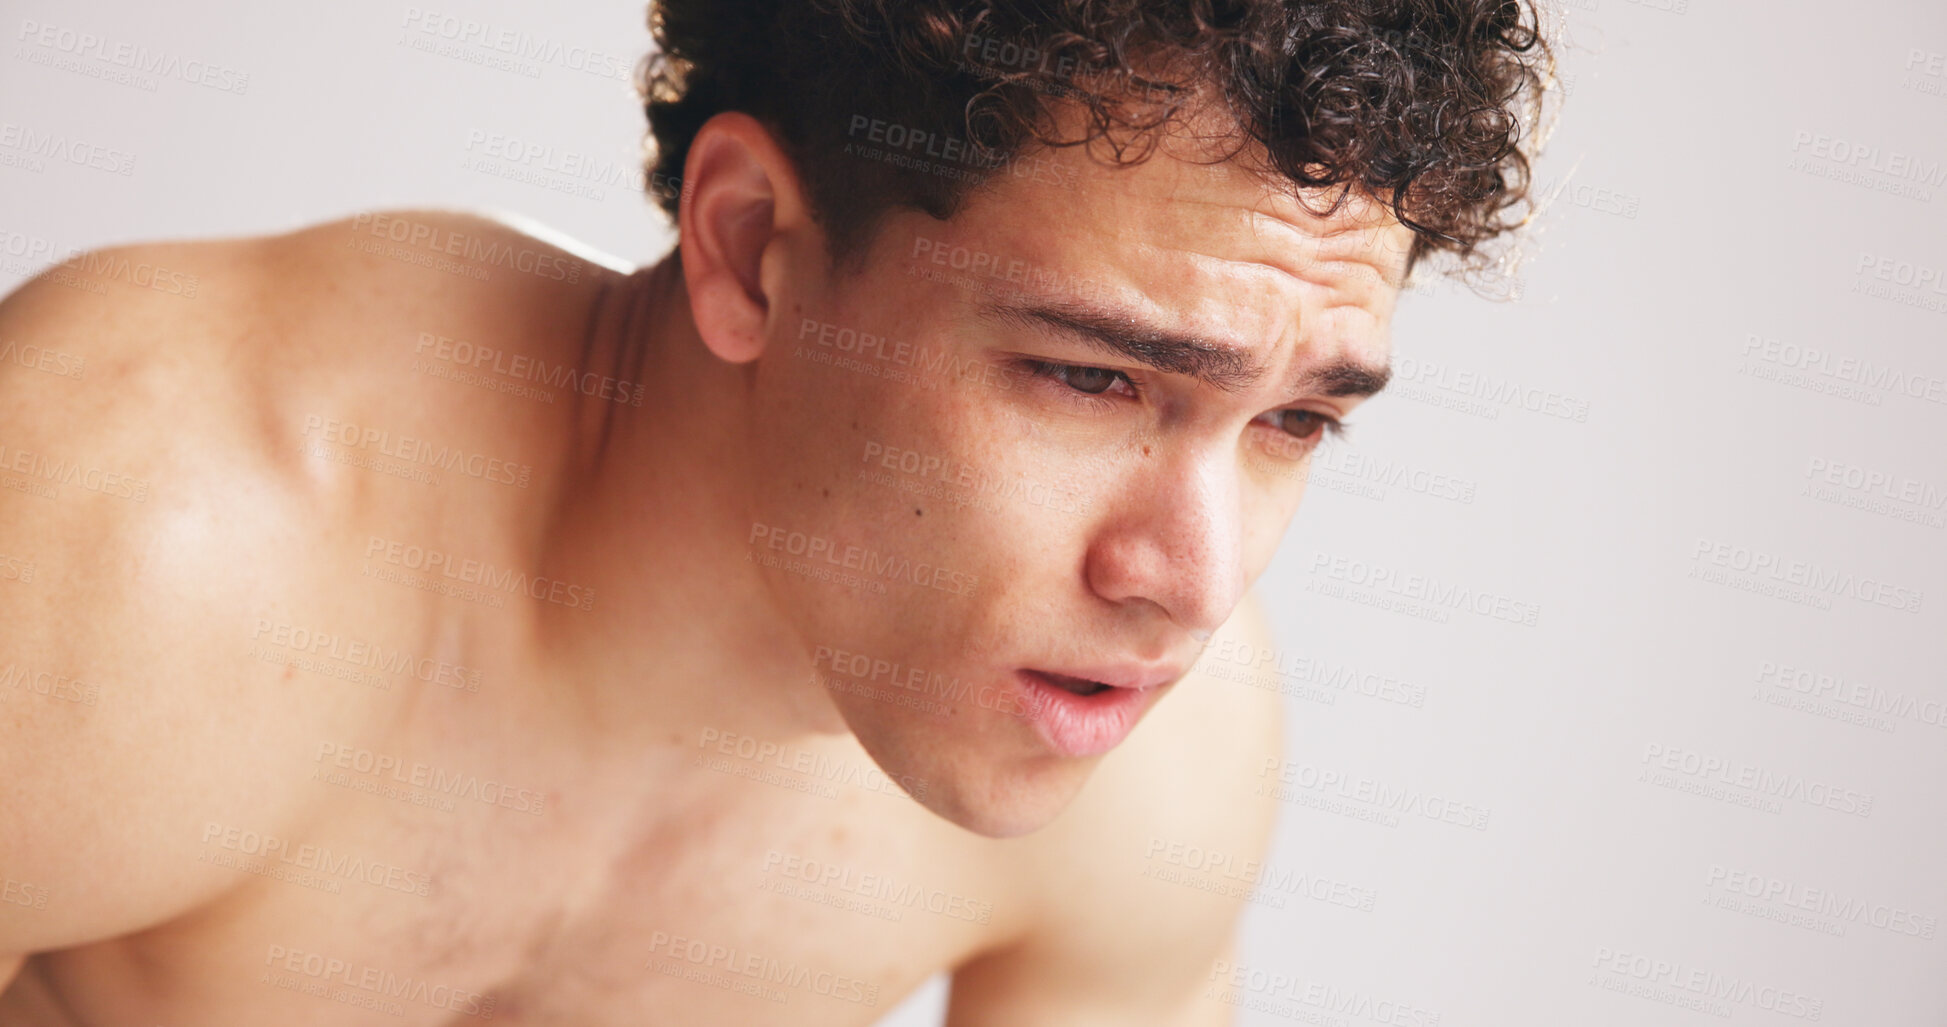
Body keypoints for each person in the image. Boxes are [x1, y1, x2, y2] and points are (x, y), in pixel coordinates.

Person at [0, 0, 1548, 1022]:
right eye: (1089, 380)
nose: (1189, 586)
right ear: (750, 250)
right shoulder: (142, 524)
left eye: (1293, 421)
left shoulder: (1157, 772)